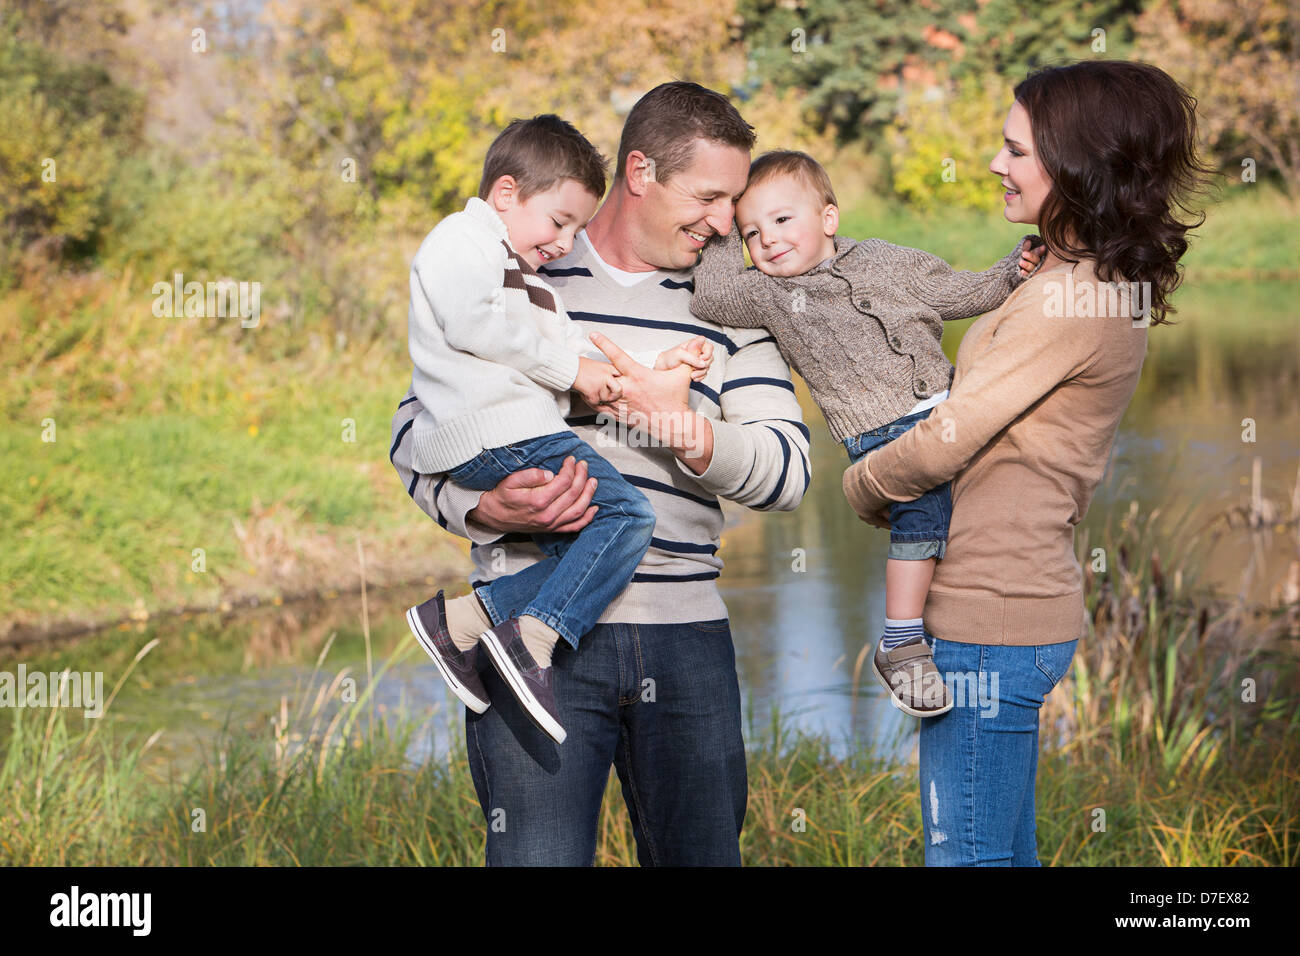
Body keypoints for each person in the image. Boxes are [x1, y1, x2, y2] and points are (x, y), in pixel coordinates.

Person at [389, 81, 810, 865]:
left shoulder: (735, 302)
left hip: (686, 641)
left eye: (734, 200)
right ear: (642, 171)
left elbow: (787, 472)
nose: (726, 222)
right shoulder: (522, 262)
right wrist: (484, 507)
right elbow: (417, 429)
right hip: (534, 642)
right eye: (709, 196)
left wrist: (676, 424)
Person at [841, 60, 1211, 865]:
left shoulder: (1067, 301)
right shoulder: (1076, 280)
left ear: (1078, 162)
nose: (993, 165)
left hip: (989, 619)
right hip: (1006, 613)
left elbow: (948, 438)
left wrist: (863, 484)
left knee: (966, 858)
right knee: (1001, 854)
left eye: (1016, 151)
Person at [691, 149, 1044, 716]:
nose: (770, 241)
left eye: (783, 220)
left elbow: (957, 293)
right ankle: (900, 641)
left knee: (996, 492)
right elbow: (709, 292)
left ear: (828, 218)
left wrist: (1010, 271)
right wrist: (724, 226)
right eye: (752, 233)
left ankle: (994, 612)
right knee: (923, 510)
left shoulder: (886, 259)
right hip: (880, 434)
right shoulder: (768, 294)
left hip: (951, 409)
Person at [400, 114, 713, 745]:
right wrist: (571, 371)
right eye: (558, 221)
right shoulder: (461, 240)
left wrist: (656, 364)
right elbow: (475, 328)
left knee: (594, 541)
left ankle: (465, 622)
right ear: (507, 194)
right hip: (495, 430)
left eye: (575, 228)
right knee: (626, 520)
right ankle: (528, 640)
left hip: (514, 429)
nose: (566, 242)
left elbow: (579, 347)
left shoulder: (528, 282)